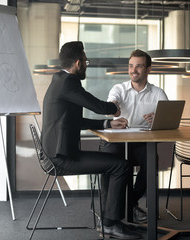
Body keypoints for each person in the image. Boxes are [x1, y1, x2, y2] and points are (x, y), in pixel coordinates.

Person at [41, 41, 141, 239]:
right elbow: (95, 105)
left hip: (58, 153)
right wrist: (113, 108)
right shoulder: (69, 82)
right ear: (78, 63)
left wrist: (107, 124)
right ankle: (111, 223)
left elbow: (75, 121)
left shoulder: (59, 80)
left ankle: (110, 220)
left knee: (114, 164)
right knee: (121, 166)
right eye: (85, 61)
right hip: (60, 157)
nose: (86, 64)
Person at [100, 49, 168, 223]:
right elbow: (112, 102)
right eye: (131, 66)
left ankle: (129, 203)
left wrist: (158, 119)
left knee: (152, 160)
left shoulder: (158, 93)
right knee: (110, 162)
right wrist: (113, 107)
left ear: (148, 69)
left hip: (141, 143)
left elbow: (168, 121)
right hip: (117, 141)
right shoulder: (119, 89)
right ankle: (108, 214)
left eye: (139, 66)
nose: (133, 70)